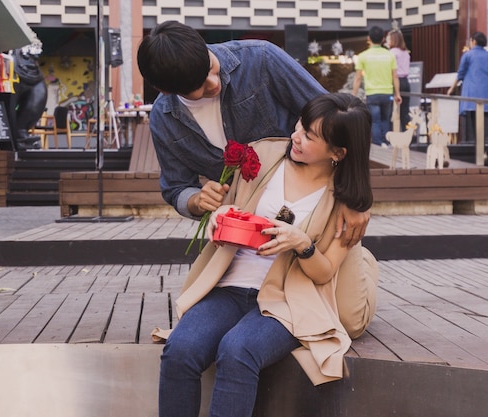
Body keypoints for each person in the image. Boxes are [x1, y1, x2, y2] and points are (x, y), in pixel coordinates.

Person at [156, 92, 379, 417]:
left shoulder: (346, 200)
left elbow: (324, 271)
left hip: (285, 302)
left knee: (237, 350)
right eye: (299, 126)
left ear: (338, 152)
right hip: (228, 288)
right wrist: (220, 216)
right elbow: (227, 210)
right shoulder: (265, 154)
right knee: (181, 350)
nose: (296, 137)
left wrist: (301, 243)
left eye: (309, 136)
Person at [136, 21, 370, 247]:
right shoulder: (163, 119)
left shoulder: (261, 59)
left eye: (210, 67)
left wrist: (355, 199)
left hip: (310, 218)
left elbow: (340, 124)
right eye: (200, 86)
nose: (214, 83)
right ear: (165, 90)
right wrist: (197, 200)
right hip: (242, 239)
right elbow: (176, 187)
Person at [447, 31, 488, 143]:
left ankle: (478, 145)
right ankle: (484, 145)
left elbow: (460, 74)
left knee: (473, 117)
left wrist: (451, 89)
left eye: (470, 41)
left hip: (471, 92)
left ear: (474, 41)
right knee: (485, 118)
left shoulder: (468, 55)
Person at [352, 26, 402, 147]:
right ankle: (386, 142)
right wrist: (397, 93)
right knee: (386, 119)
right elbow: (395, 76)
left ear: (368, 38)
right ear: (383, 38)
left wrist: (353, 95)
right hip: (387, 93)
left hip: (372, 93)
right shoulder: (390, 55)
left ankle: (377, 145)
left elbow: (358, 77)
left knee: (375, 121)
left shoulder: (363, 56)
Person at [387, 30, 412, 135]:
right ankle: (409, 133)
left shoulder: (392, 52)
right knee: (405, 111)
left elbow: (391, 70)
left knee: (391, 111)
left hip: (396, 81)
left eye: (388, 39)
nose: (387, 41)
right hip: (406, 82)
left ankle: (391, 135)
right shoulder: (405, 52)